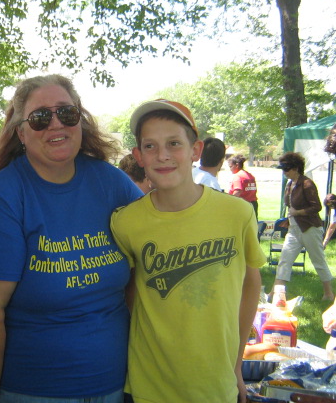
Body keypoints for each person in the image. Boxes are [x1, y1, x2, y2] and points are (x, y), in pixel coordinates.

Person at [0, 74, 143, 403]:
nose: (56, 125)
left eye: (67, 113)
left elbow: (154, 253)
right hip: (35, 391)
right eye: (41, 118)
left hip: (120, 384)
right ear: (21, 132)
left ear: (80, 120)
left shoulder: (112, 183)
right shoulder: (4, 199)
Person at [110, 99, 265, 403]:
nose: (163, 155)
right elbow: (128, 294)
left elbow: (251, 282)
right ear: (139, 156)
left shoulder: (237, 214)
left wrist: (236, 364)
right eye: (151, 146)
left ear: (196, 150)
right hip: (148, 387)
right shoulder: (126, 222)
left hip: (216, 385)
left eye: (174, 143)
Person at [270, 152, 334, 301]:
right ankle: (275, 294)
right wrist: (289, 218)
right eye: (283, 169)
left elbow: (316, 207)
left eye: (286, 169)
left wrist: (297, 212)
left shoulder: (307, 183)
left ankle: (328, 293)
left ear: (296, 168)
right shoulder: (289, 184)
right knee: (284, 261)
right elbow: (290, 206)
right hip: (294, 230)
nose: (284, 172)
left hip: (310, 228)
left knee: (318, 261)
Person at [228, 154, 259, 220]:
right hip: (253, 204)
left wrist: (229, 202)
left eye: (230, 166)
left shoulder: (238, 176)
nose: (230, 169)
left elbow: (238, 191)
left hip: (243, 205)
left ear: (237, 165)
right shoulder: (250, 175)